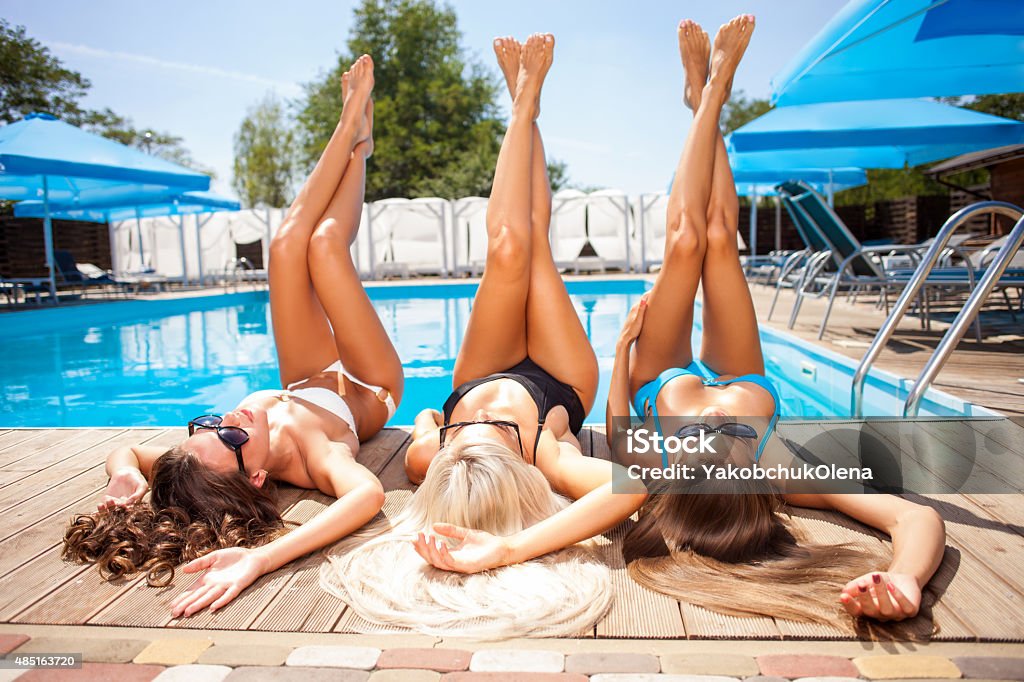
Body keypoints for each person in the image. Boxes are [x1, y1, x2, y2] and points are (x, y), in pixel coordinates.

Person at [608, 16, 946, 629]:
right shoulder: (781, 474)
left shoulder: (658, 473)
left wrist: (622, 356)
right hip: (744, 373)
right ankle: (704, 99)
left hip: (660, 375)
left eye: (697, 444)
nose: (714, 422)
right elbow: (914, 518)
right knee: (720, 239)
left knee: (686, 241)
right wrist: (905, 579)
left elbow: (618, 432)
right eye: (729, 445)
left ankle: (705, 98)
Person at [63, 55, 403, 619]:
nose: (229, 422)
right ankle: (360, 149)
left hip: (303, 375)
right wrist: (258, 560)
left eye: (211, 423)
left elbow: (123, 451)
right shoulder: (314, 461)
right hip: (370, 383)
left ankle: (350, 132)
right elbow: (368, 497)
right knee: (324, 247)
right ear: (260, 475)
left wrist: (127, 474)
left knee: (283, 250)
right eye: (232, 439)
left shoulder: (201, 461)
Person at [401, 32, 647, 577]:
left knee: (508, 245)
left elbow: (421, 416)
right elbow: (630, 489)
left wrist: (439, 427)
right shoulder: (547, 458)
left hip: (481, 368)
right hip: (560, 379)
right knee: (533, 242)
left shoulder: (430, 458)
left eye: (461, 435)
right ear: (515, 463)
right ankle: (526, 107)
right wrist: (511, 548)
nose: (480, 420)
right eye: (495, 431)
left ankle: (522, 105)